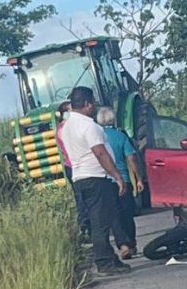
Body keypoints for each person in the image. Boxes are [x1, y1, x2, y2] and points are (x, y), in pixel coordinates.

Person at [60, 86, 129, 276]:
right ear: (88, 104)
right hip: (97, 178)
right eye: (94, 103)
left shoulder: (66, 127)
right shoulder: (89, 126)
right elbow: (100, 153)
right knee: (101, 223)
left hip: (80, 178)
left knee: (98, 220)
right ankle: (104, 262)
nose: (96, 107)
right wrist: (117, 176)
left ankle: (110, 258)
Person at [97, 106, 144, 259]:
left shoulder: (97, 138)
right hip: (124, 180)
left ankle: (123, 245)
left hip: (106, 181)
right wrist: (138, 178)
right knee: (127, 214)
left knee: (114, 215)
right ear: (113, 119)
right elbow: (131, 158)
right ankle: (131, 243)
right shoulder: (121, 136)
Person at [56, 100, 90, 237]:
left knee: (80, 196)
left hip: (71, 165)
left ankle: (85, 224)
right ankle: (86, 223)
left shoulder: (60, 129)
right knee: (83, 197)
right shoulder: (68, 129)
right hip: (77, 165)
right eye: (71, 110)